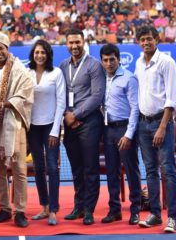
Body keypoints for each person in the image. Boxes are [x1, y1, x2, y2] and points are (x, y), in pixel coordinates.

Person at [0, 31, 34, 228]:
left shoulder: (19, 69)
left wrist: (4, 104)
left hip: (14, 124)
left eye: (1, 48)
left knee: (19, 169)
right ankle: (4, 208)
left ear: (7, 48)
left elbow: (25, 94)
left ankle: (20, 211)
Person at [135, 26, 176, 233]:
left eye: (149, 39)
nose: (146, 43)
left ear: (157, 39)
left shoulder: (167, 62)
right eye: (142, 40)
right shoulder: (138, 63)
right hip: (143, 124)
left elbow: (171, 99)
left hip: (161, 123)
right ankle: (154, 214)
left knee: (168, 171)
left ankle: (172, 218)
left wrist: (162, 127)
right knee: (151, 171)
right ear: (139, 42)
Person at [59, 28, 105, 225]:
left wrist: (75, 115)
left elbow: (97, 97)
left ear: (84, 41)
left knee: (90, 168)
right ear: (66, 44)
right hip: (69, 124)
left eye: (77, 42)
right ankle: (78, 206)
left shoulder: (94, 66)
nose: (74, 46)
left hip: (90, 123)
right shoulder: (62, 66)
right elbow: (59, 96)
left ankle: (89, 210)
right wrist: (66, 116)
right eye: (71, 43)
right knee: (76, 168)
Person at [99, 43, 141, 225]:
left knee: (132, 171)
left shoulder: (129, 78)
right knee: (112, 172)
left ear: (119, 59)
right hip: (108, 130)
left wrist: (129, 135)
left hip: (125, 130)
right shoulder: (101, 79)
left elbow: (135, 108)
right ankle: (114, 210)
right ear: (102, 61)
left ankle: (136, 210)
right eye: (105, 60)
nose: (109, 63)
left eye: (112, 59)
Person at [27, 40, 66, 226]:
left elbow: (61, 103)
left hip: (50, 127)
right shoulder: (27, 73)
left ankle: (54, 210)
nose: (40, 55)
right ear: (33, 54)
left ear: (48, 54)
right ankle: (44, 207)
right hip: (32, 128)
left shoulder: (56, 73)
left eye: (43, 52)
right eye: (37, 52)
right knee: (38, 168)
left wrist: (55, 131)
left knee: (52, 167)